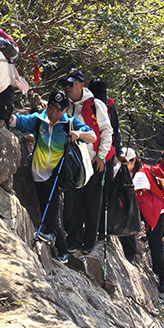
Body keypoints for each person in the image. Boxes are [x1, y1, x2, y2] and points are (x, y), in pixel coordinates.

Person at [9, 91, 96, 263]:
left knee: (51, 207)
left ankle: (51, 235)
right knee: (46, 208)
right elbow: (17, 121)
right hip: (37, 171)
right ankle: (61, 249)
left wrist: (78, 134)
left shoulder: (70, 123)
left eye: (58, 111)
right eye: (51, 109)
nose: (53, 114)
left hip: (57, 174)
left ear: (65, 110)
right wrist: (4, 113)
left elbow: (92, 136)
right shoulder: (38, 120)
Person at [61, 69, 113, 255]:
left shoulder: (96, 105)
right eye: (65, 84)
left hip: (93, 160)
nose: (67, 87)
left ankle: (89, 240)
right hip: (72, 161)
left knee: (92, 203)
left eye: (71, 84)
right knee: (72, 201)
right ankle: (73, 239)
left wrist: (101, 155)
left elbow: (107, 131)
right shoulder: (64, 104)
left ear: (81, 85)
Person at [123, 147, 164, 292]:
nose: (122, 166)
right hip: (144, 206)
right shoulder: (134, 169)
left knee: (155, 243)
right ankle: (130, 252)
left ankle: (163, 276)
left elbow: (127, 191)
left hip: (155, 211)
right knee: (126, 222)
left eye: (125, 163)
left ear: (134, 160)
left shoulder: (141, 175)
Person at [88, 77, 127, 240]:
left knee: (106, 190)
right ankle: (90, 225)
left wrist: (119, 152)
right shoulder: (86, 105)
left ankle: (102, 228)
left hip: (107, 154)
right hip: (89, 153)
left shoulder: (109, 105)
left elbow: (115, 131)